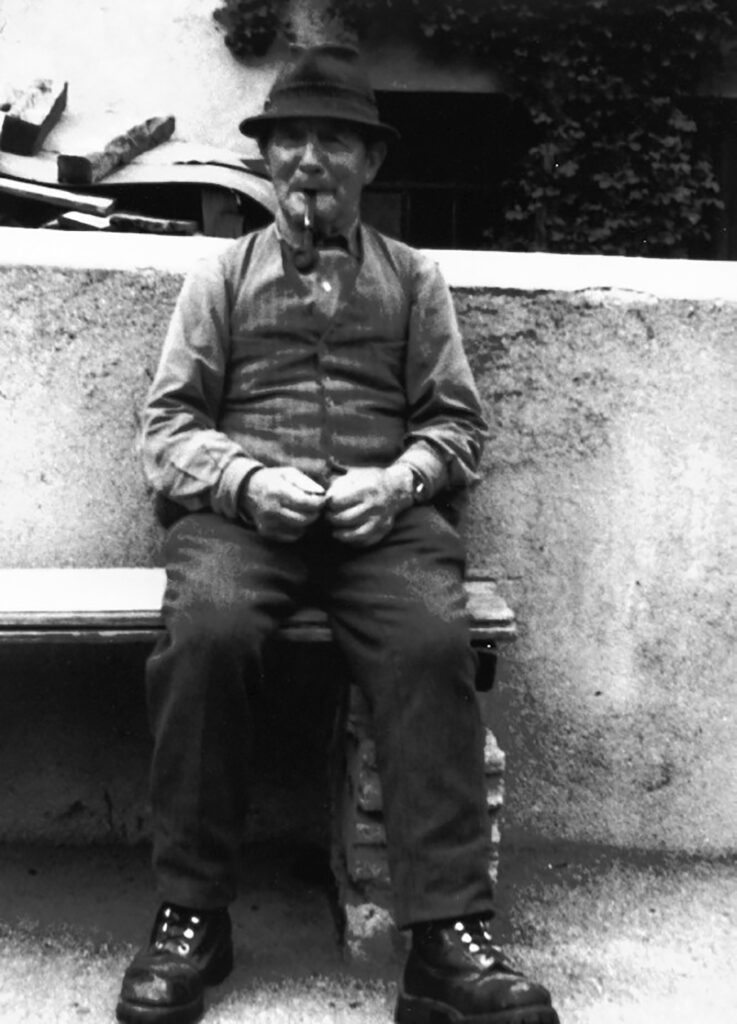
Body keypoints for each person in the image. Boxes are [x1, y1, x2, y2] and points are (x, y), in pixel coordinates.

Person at [116, 44, 559, 1024]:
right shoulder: (221, 277)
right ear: (266, 157)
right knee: (207, 636)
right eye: (290, 140)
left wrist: (398, 481)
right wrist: (244, 480)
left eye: (334, 141)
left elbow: (456, 425)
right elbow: (168, 428)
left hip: (383, 529)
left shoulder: (413, 279)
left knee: (430, 641)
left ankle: (444, 941)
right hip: (240, 528)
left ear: (372, 161)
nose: (308, 160)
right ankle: (191, 914)